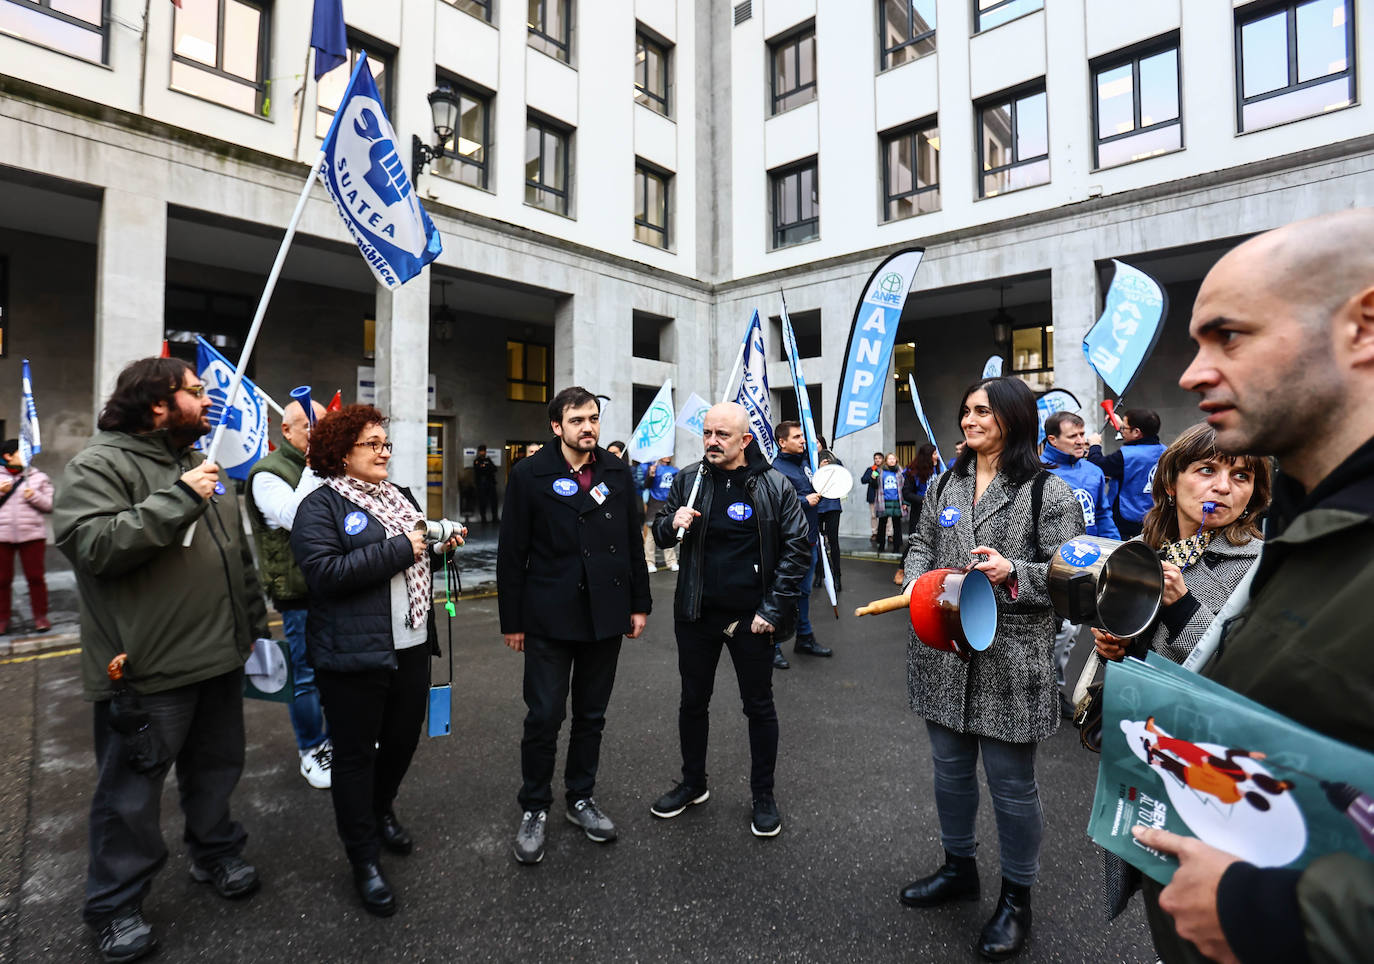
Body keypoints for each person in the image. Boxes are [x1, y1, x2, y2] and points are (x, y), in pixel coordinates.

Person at [1127, 209, 1374, 964]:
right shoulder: (1308, 518)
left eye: (1229, 336)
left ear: (1363, 328)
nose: (1192, 372)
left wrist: (1267, 913)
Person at [52, 358, 269, 963]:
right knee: (129, 794)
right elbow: (92, 545)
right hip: (146, 670)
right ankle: (115, 905)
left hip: (219, 656)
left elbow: (235, 557)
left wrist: (251, 625)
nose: (208, 403)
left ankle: (215, 851)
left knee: (217, 768)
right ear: (157, 405)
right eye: (196, 393)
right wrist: (178, 499)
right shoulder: (102, 465)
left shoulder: (198, 467)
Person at [898, 376, 1083, 961]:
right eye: (966, 410)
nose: (970, 419)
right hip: (943, 654)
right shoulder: (945, 483)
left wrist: (1014, 573)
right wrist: (911, 574)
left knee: (1011, 787)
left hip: (1012, 657)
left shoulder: (1047, 492)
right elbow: (922, 543)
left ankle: (1016, 899)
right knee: (949, 773)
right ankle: (959, 868)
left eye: (983, 411)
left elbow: (1072, 577)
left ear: (1013, 418)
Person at [1088, 422, 1270, 923]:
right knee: (1156, 888)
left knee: (1207, 907)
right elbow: (1129, 649)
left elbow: (1242, 671)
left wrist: (1181, 606)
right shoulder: (1147, 550)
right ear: (1171, 482)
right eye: (1206, 470)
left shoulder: (1260, 565)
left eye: (1241, 476)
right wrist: (1114, 646)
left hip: (1212, 768)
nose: (1223, 487)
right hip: (1144, 743)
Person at [290, 404, 463, 916]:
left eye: (387, 443)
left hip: (410, 645)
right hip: (352, 654)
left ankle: (379, 809)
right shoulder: (318, 505)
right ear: (342, 452)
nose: (385, 451)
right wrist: (404, 547)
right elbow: (323, 574)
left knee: (403, 742)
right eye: (374, 444)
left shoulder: (399, 496)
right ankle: (362, 856)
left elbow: (415, 554)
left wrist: (439, 546)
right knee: (355, 755)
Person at [497, 387, 650, 866]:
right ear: (556, 427)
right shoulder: (528, 474)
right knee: (544, 715)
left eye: (595, 419)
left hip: (606, 614)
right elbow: (511, 553)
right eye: (578, 419)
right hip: (548, 616)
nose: (589, 427)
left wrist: (638, 604)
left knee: (591, 715)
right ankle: (534, 807)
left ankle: (580, 798)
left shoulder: (616, 471)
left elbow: (631, 540)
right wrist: (513, 619)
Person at [648, 402, 810, 837]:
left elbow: (798, 549)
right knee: (692, 701)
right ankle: (693, 783)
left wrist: (772, 610)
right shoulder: (688, 479)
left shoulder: (773, 485)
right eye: (706, 433)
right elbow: (661, 529)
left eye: (722, 434)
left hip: (751, 620)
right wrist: (670, 524)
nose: (712, 441)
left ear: (745, 440)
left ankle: (763, 795)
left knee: (758, 706)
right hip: (696, 613)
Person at [244, 398, 331, 790]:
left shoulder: (327, 465)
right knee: (307, 674)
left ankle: (340, 735)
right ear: (286, 431)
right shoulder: (267, 474)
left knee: (341, 668)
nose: (318, 434)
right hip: (298, 592)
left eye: (322, 426)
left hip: (335, 584)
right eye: (310, 427)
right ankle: (312, 748)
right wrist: (316, 466)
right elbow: (296, 516)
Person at [1041, 411, 1119, 715]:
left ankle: (1053, 688)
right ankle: (1039, 686)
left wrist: (1116, 548)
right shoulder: (1038, 472)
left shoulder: (1093, 471)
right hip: (1047, 564)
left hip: (1087, 564)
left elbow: (1102, 514)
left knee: (1070, 631)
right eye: (1073, 436)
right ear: (1052, 440)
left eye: (1082, 434)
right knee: (1048, 630)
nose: (1082, 440)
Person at [771, 421, 832, 661]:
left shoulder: (806, 463)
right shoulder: (776, 469)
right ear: (782, 442)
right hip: (790, 544)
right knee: (784, 593)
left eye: (802, 436)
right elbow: (776, 504)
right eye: (796, 437)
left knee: (804, 593)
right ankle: (773, 645)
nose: (802, 440)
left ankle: (804, 638)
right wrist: (805, 501)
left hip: (810, 539)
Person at [0, 438, 54, 634]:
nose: (28, 457)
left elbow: (50, 505)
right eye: (22, 452)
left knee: (35, 578)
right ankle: (2, 619)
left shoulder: (38, 477)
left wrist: (34, 497)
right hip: (2, 536)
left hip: (32, 535)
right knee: (2, 580)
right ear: (8, 456)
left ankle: (41, 617)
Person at [1086, 408, 1166, 539]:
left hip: (1125, 520)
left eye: (1124, 427)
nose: (1121, 430)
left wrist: (1094, 445)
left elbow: (1097, 465)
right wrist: (1121, 425)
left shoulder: (1125, 456)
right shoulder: (1165, 451)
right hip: (1154, 518)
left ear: (1136, 432)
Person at [643, 455, 680, 572]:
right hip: (654, 507)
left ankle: (671, 561)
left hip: (668, 507)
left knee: (668, 533)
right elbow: (646, 485)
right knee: (650, 537)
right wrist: (651, 474)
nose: (667, 456)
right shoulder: (653, 469)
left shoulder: (675, 470)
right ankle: (649, 562)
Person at [815, 447, 843, 593]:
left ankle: (837, 576)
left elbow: (843, 481)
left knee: (833, 542)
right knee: (818, 544)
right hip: (816, 506)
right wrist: (818, 469)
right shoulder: (810, 462)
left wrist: (830, 468)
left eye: (818, 442)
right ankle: (819, 574)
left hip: (832, 506)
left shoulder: (836, 462)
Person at [902, 443, 940, 530]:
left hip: (936, 511)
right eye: (934, 454)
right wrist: (922, 500)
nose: (937, 456)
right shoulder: (913, 472)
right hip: (919, 513)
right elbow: (906, 493)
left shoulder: (939, 469)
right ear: (927, 456)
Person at [874, 452, 904, 552]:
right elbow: (872, 484)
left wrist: (905, 503)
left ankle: (896, 547)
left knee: (897, 525)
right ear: (886, 461)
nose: (891, 460)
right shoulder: (880, 471)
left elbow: (905, 487)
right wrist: (872, 478)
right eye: (889, 459)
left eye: (893, 458)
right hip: (883, 501)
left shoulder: (901, 471)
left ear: (896, 460)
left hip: (897, 501)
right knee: (882, 524)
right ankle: (881, 545)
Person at [861, 451, 884, 546]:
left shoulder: (885, 469)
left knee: (887, 517)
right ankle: (874, 533)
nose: (877, 460)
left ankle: (889, 534)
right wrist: (871, 478)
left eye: (879, 458)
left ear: (882, 459)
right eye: (876, 458)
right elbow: (863, 480)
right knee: (873, 516)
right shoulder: (871, 469)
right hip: (873, 496)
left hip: (883, 496)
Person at [473, 444, 499, 523]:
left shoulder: (488, 460)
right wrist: (486, 468)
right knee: (482, 502)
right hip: (481, 484)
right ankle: (483, 518)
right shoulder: (477, 461)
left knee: (494, 501)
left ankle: (495, 517)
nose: (482, 452)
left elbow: (494, 469)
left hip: (490, 483)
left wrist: (485, 467)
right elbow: (478, 470)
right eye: (481, 451)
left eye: (483, 451)